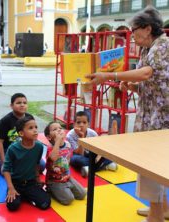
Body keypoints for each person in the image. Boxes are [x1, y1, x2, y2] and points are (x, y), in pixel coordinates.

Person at [86, 6, 169, 222]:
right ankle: (161, 209)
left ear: (148, 28)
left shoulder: (163, 46)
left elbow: (147, 72)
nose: (132, 35)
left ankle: (157, 216)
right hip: (150, 113)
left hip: (162, 116)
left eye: (134, 30)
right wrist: (131, 86)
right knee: (151, 163)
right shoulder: (146, 48)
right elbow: (152, 82)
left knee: (153, 163)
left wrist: (108, 75)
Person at [3, 116, 51, 211]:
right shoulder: (13, 149)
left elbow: (37, 164)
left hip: (30, 183)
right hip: (16, 183)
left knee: (45, 204)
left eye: (36, 127)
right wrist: (11, 188)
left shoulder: (39, 146)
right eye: (31, 128)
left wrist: (37, 179)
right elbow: (6, 169)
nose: (35, 130)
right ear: (21, 133)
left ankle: (25, 195)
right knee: (12, 206)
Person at [44, 121, 86, 205]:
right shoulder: (50, 148)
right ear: (49, 137)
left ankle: (65, 188)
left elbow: (79, 153)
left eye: (60, 128)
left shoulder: (67, 144)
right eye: (55, 129)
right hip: (54, 180)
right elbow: (54, 157)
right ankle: (50, 189)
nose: (59, 130)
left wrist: (82, 139)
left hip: (67, 177)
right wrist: (58, 141)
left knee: (82, 194)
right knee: (68, 200)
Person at [66, 111, 118, 177]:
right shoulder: (70, 135)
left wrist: (100, 155)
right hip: (79, 156)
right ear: (74, 124)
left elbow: (99, 149)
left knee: (108, 153)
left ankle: (90, 168)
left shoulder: (92, 133)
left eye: (84, 122)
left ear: (88, 125)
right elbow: (80, 153)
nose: (81, 125)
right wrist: (81, 137)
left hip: (91, 155)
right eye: (78, 122)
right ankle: (103, 166)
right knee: (74, 159)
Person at [0, 93, 33, 174]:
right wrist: (3, 161)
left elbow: (33, 137)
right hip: (9, 151)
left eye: (24, 103)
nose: (22, 105)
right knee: (9, 172)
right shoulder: (5, 120)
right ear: (11, 105)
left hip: (25, 150)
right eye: (18, 103)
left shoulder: (30, 118)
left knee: (41, 165)